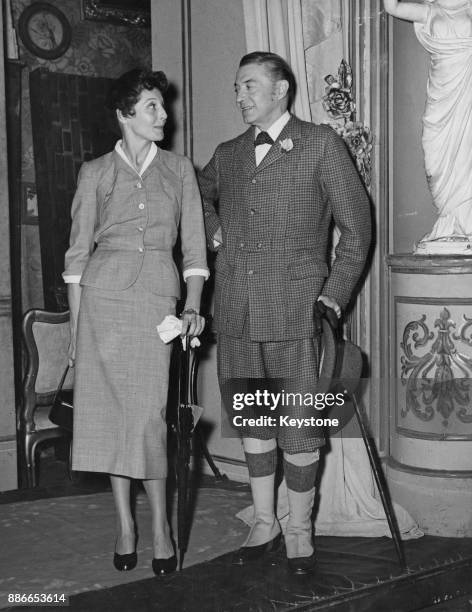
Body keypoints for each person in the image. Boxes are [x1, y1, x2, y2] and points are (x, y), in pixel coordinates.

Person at [198, 52, 371, 574]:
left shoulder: (320, 144)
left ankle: (300, 527)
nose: (239, 96)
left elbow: (357, 229)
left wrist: (332, 297)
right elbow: (195, 197)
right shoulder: (227, 154)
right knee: (254, 420)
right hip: (236, 310)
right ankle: (265, 521)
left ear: (281, 89)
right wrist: (211, 227)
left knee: (298, 427)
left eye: (249, 85)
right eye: (236, 87)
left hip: (299, 312)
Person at [63, 68, 208, 576]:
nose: (163, 114)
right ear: (125, 114)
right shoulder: (95, 172)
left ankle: (162, 528)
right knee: (110, 423)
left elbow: (193, 248)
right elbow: (77, 257)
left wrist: (192, 305)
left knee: (148, 421)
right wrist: (77, 332)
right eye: (152, 106)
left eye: (162, 105)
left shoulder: (180, 169)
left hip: (156, 305)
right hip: (102, 305)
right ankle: (125, 525)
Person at [384, 0, 472, 243]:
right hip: (442, 99)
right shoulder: (430, 10)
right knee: (434, 161)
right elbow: (392, 7)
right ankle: (450, 218)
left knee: (468, 152)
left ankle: (466, 221)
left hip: (468, 96)